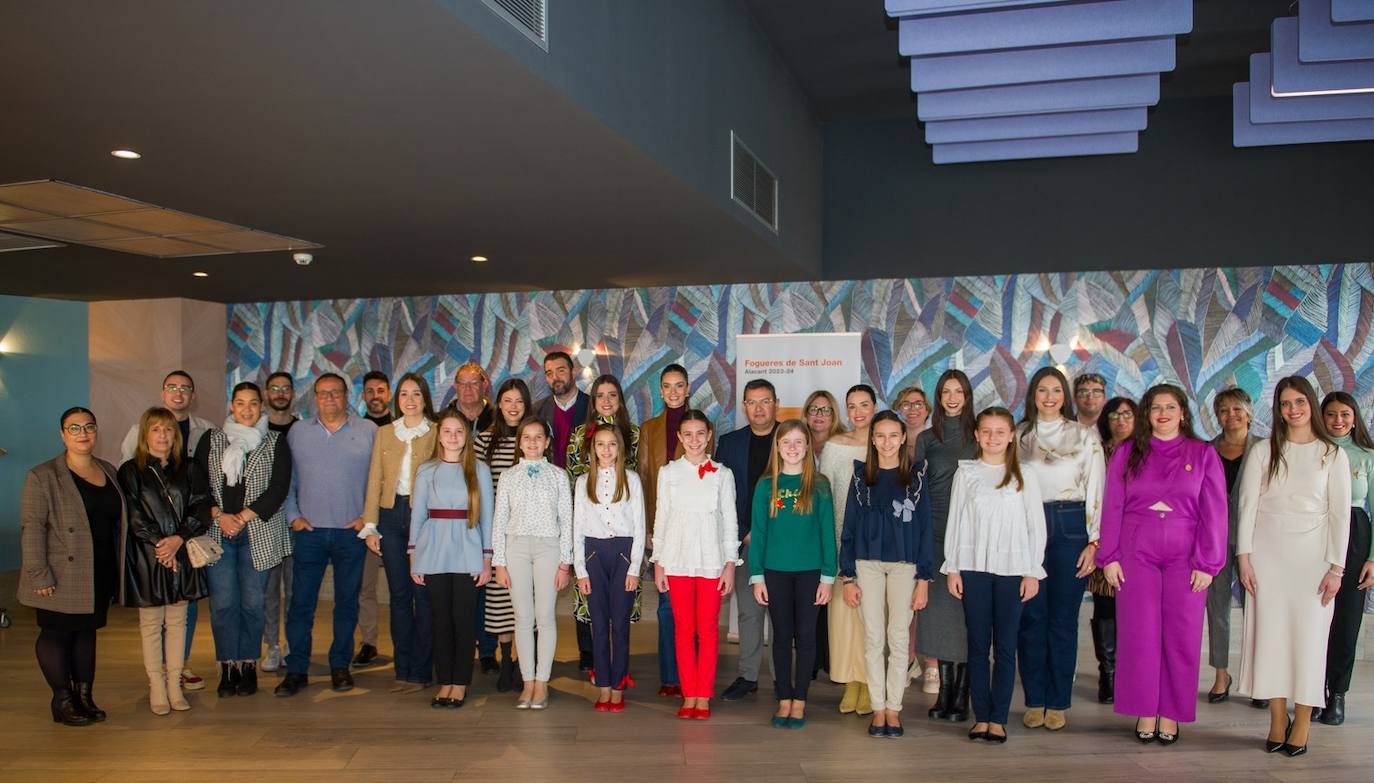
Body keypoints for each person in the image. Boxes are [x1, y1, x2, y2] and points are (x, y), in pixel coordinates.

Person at [1098, 385, 1227, 745]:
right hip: (1135, 551)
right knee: (1139, 633)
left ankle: (1170, 712)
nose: (1163, 413)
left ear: (1183, 412)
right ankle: (1144, 709)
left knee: (1182, 635)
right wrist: (1109, 557)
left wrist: (1208, 562)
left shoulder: (1203, 454)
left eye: (1171, 407)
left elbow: (1215, 512)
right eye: (1156, 408)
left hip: (1186, 556)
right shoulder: (1127, 452)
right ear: (1147, 414)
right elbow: (1112, 506)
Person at [1236, 376, 1350, 758]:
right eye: (1285, 403)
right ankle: (1276, 717)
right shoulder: (1263, 451)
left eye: (1299, 401)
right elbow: (1247, 506)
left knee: (1309, 640)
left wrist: (1336, 568)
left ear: (1311, 405)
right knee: (1270, 638)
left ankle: (1302, 721)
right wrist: (1244, 557)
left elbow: (1340, 516)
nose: (1293, 409)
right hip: (1267, 556)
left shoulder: (1332, 454)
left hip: (1313, 560)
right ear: (1278, 409)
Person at [943, 407, 1046, 744]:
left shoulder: (1024, 474)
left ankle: (999, 718)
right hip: (973, 569)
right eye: (986, 431)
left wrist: (1032, 572)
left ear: (1011, 435)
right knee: (976, 645)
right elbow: (955, 522)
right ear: (977, 435)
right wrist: (953, 567)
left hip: (1012, 571)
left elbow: (1036, 527)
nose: (992, 437)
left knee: (1005, 646)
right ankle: (981, 716)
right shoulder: (967, 473)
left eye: (1000, 431)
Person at [20, 407, 127, 726]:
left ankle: (84, 697)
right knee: (56, 634)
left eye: (89, 427)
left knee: (86, 634)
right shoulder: (43, 475)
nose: (83, 433)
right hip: (59, 573)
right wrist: (39, 573)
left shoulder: (108, 469)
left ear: (96, 431)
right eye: (74, 428)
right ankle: (62, 699)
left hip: (99, 570)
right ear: (62, 434)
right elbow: (32, 526)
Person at [275, 373, 377, 697]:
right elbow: (286, 480)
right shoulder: (298, 432)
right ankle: (296, 669)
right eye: (323, 394)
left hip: (352, 534)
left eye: (336, 393)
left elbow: (380, 481)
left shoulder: (368, 432)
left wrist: (367, 518)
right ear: (314, 398)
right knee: (301, 604)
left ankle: (340, 665)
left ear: (347, 395)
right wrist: (293, 516)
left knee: (347, 603)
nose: (330, 398)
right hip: (310, 532)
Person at [1016, 366, 1104, 732]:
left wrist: (1095, 541)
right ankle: (1034, 699)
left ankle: (1057, 702)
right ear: (1032, 395)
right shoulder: (1019, 436)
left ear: (1063, 396)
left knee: (1063, 620)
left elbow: (1097, 489)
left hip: (1070, 527)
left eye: (1055, 390)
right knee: (1030, 618)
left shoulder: (1084, 436)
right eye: (1042, 390)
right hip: (1026, 525)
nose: (1049, 397)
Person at [839, 410, 934, 738]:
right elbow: (849, 527)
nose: (887, 442)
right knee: (873, 638)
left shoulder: (916, 477)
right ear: (872, 439)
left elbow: (924, 530)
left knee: (898, 638)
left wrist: (924, 579)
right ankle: (877, 708)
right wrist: (848, 577)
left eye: (894, 435)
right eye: (880, 436)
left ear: (904, 437)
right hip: (867, 565)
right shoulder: (861, 476)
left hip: (905, 566)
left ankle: (894, 708)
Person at [196, 381, 293, 698]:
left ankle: (249, 665)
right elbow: (197, 486)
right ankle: (227, 667)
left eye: (254, 403)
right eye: (241, 403)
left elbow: (278, 488)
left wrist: (241, 517)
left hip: (258, 534)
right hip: (217, 534)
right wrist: (218, 516)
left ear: (261, 406)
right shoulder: (211, 440)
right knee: (223, 605)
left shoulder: (275, 441)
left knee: (253, 604)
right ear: (231, 406)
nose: (247, 409)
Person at [120, 370, 213, 692]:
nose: (162, 436)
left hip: (182, 553)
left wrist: (177, 540)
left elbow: (201, 508)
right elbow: (132, 514)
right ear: (144, 434)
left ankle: (175, 683)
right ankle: (157, 686)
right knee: (150, 625)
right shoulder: (130, 471)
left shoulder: (189, 469)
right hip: (148, 556)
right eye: (155, 430)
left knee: (178, 622)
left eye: (168, 431)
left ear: (176, 436)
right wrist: (160, 545)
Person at [651, 410, 740, 721]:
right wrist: (659, 563)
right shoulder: (669, 473)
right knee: (683, 630)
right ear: (679, 437)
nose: (694, 440)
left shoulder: (722, 474)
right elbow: (661, 519)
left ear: (709, 435)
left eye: (700, 433)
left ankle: (703, 695)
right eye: (687, 434)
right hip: (676, 560)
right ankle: (688, 694)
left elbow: (730, 521)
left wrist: (730, 564)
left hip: (711, 561)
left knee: (708, 629)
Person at [749, 420, 836, 728]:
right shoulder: (765, 486)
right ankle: (783, 698)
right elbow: (758, 534)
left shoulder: (820, 485)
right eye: (787, 442)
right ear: (778, 447)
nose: (793, 448)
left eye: (799, 442)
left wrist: (828, 577)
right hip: (775, 573)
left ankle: (800, 699)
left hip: (811, 574)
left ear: (808, 446)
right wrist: (756, 575)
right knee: (781, 637)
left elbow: (827, 534)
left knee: (807, 637)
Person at [409, 408, 494, 708]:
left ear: (467, 435)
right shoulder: (426, 470)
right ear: (439, 435)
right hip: (433, 551)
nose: (454, 436)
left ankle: (460, 683)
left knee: (463, 621)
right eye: (447, 431)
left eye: (459, 431)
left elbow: (488, 517)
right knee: (439, 621)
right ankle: (443, 681)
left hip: (467, 551)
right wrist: (413, 557)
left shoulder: (478, 470)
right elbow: (418, 515)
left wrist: (486, 559)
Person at [360, 373, 438, 693]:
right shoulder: (384, 433)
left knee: (424, 594)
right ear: (397, 399)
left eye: (416, 394)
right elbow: (374, 479)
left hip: (425, 518)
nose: (410, 400)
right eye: (404, 394)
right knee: (399, 595)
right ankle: (402, 667)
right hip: (391, 517)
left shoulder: (435, 432)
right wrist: (370, 525)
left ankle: (422, 669)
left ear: (424, 398)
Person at [491, 418, 574, 709]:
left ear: (547, 442)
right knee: (523, 618)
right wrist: (499, 562)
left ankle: (542, 682)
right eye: (527, 437)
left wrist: (566, 562)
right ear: (520, 442)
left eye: (539, 437)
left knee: (545, 616)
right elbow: (499, 519)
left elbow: (567, 520)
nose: (533, 442)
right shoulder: (509, 475)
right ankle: (527, 681)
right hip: (516, 548)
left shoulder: (558, 476)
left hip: (548, 548)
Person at [565, 374, 641, 672]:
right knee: (591, 603)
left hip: (624, 527)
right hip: (591, 525)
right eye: (600, 395)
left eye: (612, 394)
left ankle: (619, 665)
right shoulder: (579, 435)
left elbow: (639, 474)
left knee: (620, 606)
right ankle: (591, 657)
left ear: (620, 400)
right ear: (593, 400)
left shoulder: (633, 434)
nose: (606, 400)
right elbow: (573, 478)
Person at [914, 370, 978, 720]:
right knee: (938, 615)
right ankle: (945, 692)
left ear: (967, 396)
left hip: (970, 534)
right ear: (938, 398)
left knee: (964, 615)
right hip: (935, 532)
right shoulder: (926, 438)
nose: (952, 398)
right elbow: (916, 490)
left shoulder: (978, 436)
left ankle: (962, 695)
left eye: (959, 391)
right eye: (945, 392)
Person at [715, 378, 779, 702]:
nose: (758, 408)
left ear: (775, 404)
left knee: (782, 614)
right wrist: (743, 533)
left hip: (784, 543)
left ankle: (784, 678)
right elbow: (719, 495)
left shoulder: (792, 438)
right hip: (744, 541)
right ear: (744, 406)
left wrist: (768, 529)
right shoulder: (729, 444)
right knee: (749, 613)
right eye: (752, 402)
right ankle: (748, 675)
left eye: (765, 401)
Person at [574, 426, 646, 711]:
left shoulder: (631, 480)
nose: (606, 450)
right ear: (593, 449)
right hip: (594, 554)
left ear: (620, 448)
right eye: (600, 445)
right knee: (599, 625)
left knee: (620, 625)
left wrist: (635, 568)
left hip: (623, 555)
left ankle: (618, 686)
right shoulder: (583, 482)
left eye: (612, 444)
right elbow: (577, 527)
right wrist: (580, 570)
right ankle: (603, 685)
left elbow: (640, 525)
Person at [637, 363, 697, 697]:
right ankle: (671, 676)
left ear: (687, 389)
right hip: (663, 530)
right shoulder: (649, 429)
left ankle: (693, 672)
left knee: (694, 607)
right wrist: (648, 528)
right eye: (667, 386)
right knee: (666, 606)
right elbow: (645, 480)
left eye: (679, 386)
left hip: (695, 528)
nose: (673, 392)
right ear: (661, 391)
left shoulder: (701, 426)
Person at [1315, 391, 1374, 726]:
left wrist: (1373, 558)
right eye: (1332, 414)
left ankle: (1336, 694)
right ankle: (1312, 690)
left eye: (1345, 415)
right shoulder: (1314, 451)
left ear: (1354, 418)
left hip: (1354, 534)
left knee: (1346, 621)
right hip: (1315, 532)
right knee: (1315, 617)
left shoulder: (1367, 455)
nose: (1338, 421)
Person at [818, 384, 877, 716]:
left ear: (874, 407)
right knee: (844, 618)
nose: (858, 412)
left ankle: (869, 683)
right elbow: (824, 494)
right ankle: (850, 682)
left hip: (877, 543)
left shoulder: (885, 441)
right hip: (842, 541)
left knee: (871, 617)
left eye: (864, 405)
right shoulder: (834, 446)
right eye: (852, 406)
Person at [1205, 388, 1263, 708]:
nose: (1232, 415)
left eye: (1238, 409)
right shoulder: (1207, 450)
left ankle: (1260, 677)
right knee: (1217, 607)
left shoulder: (1266, 449)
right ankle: (1221, 674)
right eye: (1224, 410)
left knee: (1259, 608)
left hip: (1256, 540)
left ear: (1249, 413)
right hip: (1215, 538)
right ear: (1217, 416)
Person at [474, 378, 534, 692]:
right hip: (497, 532)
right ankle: (505, 658)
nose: (513, 407)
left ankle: (526, 664)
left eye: (519, 402)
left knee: (528, 600)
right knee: (500, 601)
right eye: (507, 401)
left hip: (530, 532)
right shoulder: (485, 441)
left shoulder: (535, 439)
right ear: (499, 404)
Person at [1088, 396, 1138, 705]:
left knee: (1133, 609)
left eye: (1127, 414)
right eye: (1115, 415)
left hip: (1136, 538)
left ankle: (1131, 673)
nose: (1120, 420)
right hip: (1103, 536)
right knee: (1105, 606)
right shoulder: (1096, 452)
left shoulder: (1145, 453)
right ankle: (1108, 673)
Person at [354, 370, 392, 666]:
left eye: (381, 390)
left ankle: (410, 640)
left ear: (389, 394)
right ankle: (368, 641)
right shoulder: (357, 430)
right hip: (366, 520)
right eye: (370, 391)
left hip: (396, 519)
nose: (375, 396)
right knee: (365, 587)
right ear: (363, 395)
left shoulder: (401, 427)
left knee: (404, 585)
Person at [262, 371, 297, 671]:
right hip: (265, 521)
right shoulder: (257, 431)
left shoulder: (300, 431)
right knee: (269, 589)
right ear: (266, 393)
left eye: (285, 388)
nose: (280, 393)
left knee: (296, 589)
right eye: (275, 388)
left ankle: (293, 646)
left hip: (295, 519)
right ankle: (271, 646)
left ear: (293, 393)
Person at [534, 351, 590, 469]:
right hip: (549, 484)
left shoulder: (593, 407)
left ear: (573, 372)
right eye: (549, 373)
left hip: (584, 482)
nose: (555, 377)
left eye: (561, 371)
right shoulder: (537, 411)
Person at [452, 361, 495, 433]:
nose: (468, 388)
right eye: (462, 383)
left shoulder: (499, 419)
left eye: (474, 383)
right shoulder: (442, 420)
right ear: (455, 386)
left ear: (484, 385)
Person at [804, 390, 844, 460]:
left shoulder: (844, 444)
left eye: (826, 410)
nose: (819, 414)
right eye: (813, 409)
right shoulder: (796, 443)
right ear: (806, 414)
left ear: (834, 416)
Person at [895, 386, 931, 460]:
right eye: (906, 405)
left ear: (927, 411)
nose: (912, 409)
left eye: (918, 404)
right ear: (898, 410)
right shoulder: (891, 443)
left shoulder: (939, 441)